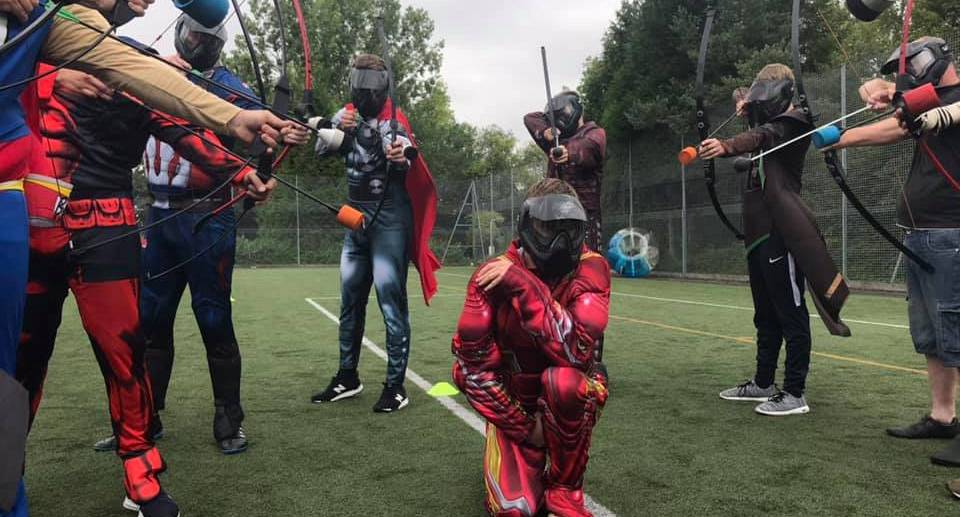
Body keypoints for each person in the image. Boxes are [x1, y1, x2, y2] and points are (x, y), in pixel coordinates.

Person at [3, 1, 295, 515]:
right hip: (30, 221)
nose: (143, 2)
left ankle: (140, 471)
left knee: (125, 356)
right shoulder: (40, 33)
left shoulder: (138, 64)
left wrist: (242, 169)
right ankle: (8, 471)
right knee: (21, 360)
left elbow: (179, 122)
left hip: (105, 226)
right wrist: (52, 77)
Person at [90, 15, 262, 456]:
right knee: (150, 322)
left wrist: (275, 149)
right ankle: (145, 419)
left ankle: (229, 420)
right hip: (160, 216)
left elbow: (261, 130)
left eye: (205, 38)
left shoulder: (227, 85)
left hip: (207, 217)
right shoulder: (152, 65)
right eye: (191, 34)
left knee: (213, 318)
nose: (195, 43)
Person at [451, 178, 609, 517]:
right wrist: (525, 429)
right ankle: (524, 456)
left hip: (567, 397)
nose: (560, 240)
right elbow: (470, 370)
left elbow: (578, 352)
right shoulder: (490, 276)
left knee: (566, 382)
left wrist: (524, 285)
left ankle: (566, 489)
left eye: (569, 228)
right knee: (515, 510)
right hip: (514, 404)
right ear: (527, 224)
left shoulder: (592, 266)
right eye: (548, 227)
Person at [839, 38, 960, 468]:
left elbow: (898, 127)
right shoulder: (923, 98)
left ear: (938, 60)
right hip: (922, 234)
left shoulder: (954, 101)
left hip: (952, 235)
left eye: (913, 64)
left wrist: (841, 138)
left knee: (957, 334)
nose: (906, 72)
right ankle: (943, 417)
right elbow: (874, 90)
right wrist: (879, 90)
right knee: (932, 336)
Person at [310, 53, 440, 413]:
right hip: (356, 221)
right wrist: (337, 126)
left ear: (384, 87)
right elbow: (321, 149)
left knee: (390, 301)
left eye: (372, 84)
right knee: (350, 301)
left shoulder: (394, 119)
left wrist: (402, 154)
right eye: (361, 83)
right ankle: (347, 377)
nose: (366, 91)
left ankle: (396, 387)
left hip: (389, 220)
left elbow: (403, 147)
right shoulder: (346, 114)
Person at [700, 63, 823, 416]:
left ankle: (795, 392)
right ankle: (763, 382)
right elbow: (757, 123)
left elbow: (763, 136)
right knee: (765, 315)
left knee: (791, 312)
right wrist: (744, 102)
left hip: (782, 231)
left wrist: (724, 145)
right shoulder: (766, 120)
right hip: (758, 234)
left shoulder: (795, 122)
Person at [524, 90, 606, 252]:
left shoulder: (595, 133)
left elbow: (589, 147)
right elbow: (530, 118)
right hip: (553, 213)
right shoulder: (554, 139)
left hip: (583, 214)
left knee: (587, 262)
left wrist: (567, 152)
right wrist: (546, 130)